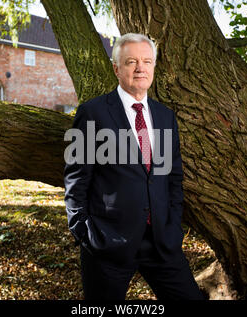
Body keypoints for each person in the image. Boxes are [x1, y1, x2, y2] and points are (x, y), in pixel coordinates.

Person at [64, 33, 203, 300]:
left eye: (147, 61)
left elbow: (173, 178)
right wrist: (86, 234)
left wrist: (173, 228)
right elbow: (75, 180)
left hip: (161, 242)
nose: (140, 68)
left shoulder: (165, 117)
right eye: (131, 61)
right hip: (108, 244)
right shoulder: (92, 113)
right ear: (116, 68)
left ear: (153, 67)